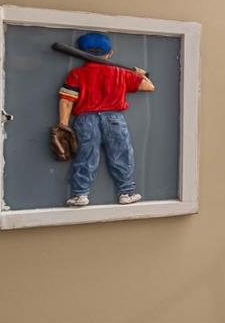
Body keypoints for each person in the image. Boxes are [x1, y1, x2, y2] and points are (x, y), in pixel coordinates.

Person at [57, 32, 155, 206]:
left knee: (86, 156)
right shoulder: (121, 73)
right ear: (110, 54)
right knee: (121, 154)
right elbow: (149, 87)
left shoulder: (77, 74)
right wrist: (140, 74)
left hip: (86, 120)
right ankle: (126, 192)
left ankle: (80, 194)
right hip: (114, 119)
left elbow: (66, 100)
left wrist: (63, 125)